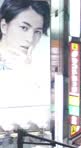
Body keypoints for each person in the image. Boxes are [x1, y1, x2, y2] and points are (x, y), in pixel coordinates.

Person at [0, 0, 51, 128]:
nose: (30, 38)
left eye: (37, 32)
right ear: (4, 26)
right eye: (24, 28)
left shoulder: (41, 63)